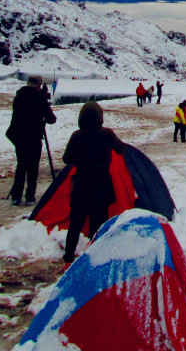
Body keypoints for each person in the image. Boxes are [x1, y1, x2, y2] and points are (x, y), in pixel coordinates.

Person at [61, 102, 125, 263]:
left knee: (76, 222)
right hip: (102, 183)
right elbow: (120, 149)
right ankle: (98, 255)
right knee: (100, 222)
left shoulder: (77, 135)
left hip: (82, 183)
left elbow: (66, 159)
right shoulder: (107, 134)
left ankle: (69, 255)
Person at [6, 75, 57, 206]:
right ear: (39, 85)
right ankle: (30, 196)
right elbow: (52, 119)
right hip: (34, 137)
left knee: (21, 165)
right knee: (33, 167)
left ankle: (16, 196)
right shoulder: (39, 99)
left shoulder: (19, 97)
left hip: (19, 136)